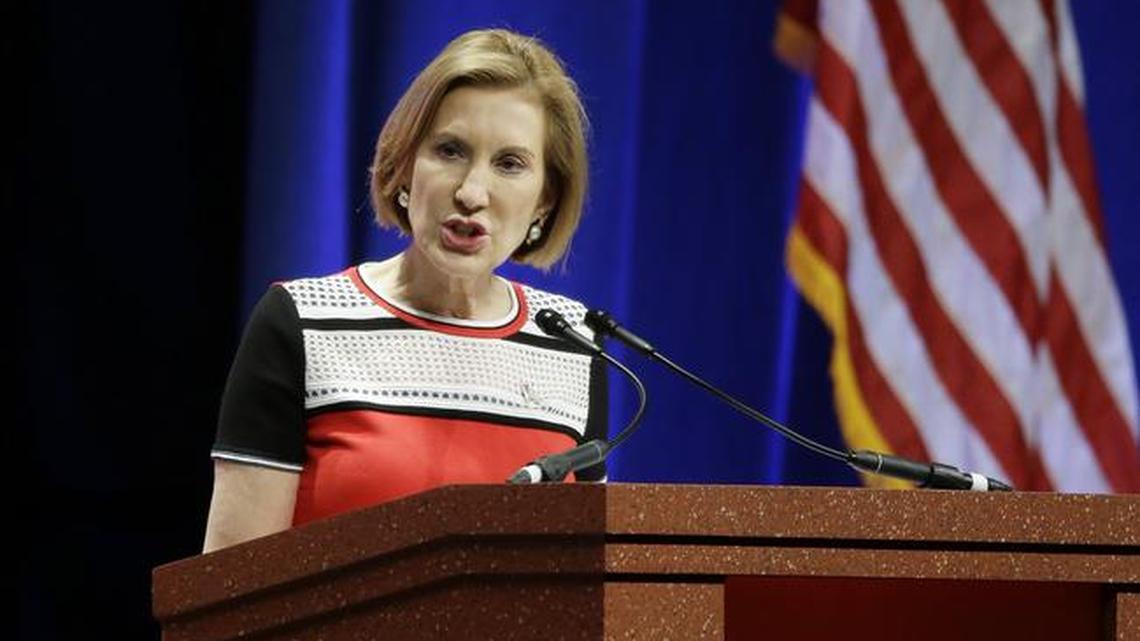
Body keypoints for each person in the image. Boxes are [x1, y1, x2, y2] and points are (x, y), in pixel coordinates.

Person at [202, 29, 607, 553]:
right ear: (404, 166)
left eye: (509, 164)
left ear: (545, 200)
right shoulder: (303, 323)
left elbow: (586, 585)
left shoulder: (572, 342)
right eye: (450, 151)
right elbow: (230, 592)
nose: (471, 192)